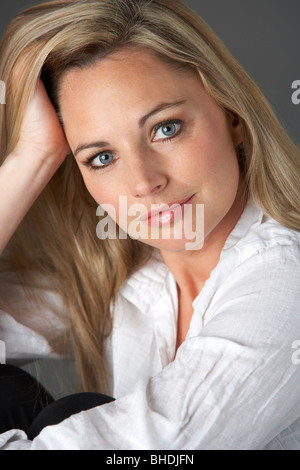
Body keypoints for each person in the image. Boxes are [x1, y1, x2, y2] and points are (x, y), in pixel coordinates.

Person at [0, 0, 299, 450]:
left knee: (67, 415)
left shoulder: (286, 280)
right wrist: (32, 156)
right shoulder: (128, 269)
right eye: (102, 157)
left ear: (232, 115)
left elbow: (152, 448)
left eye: (166, 128)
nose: (144, 182)